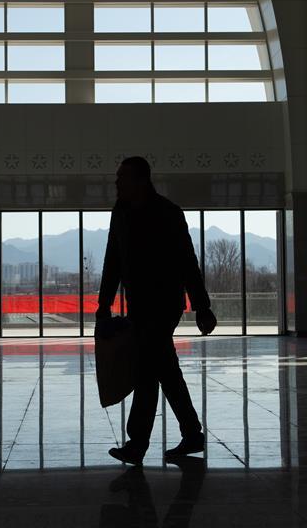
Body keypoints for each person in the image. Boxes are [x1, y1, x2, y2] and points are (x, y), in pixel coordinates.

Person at [97, 156, 217, 466]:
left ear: (140, 180)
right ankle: (191, 433)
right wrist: (103, 303)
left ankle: (138, 443)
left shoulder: (168, 213)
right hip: (139, 306)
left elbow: (187, 262)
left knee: (147, 369)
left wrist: (202, 307)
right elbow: (113, 259)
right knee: (164, 368)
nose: (116, 183)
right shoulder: (121, 212)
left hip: (164, 305)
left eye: (122, 177)